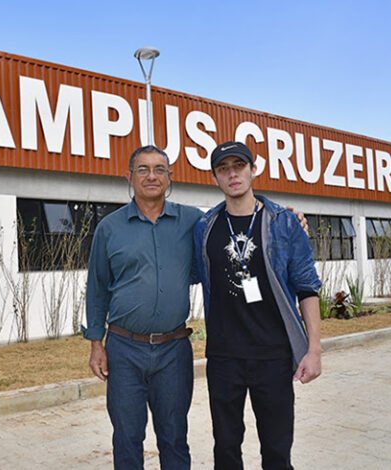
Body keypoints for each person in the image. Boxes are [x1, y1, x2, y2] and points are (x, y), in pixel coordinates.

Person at [193, 141, 322, 469]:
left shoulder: (284, 222)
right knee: (226, 448)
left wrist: (314, 350)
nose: (232, 174)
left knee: (277, 451)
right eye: (223, 169)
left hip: (273, 355)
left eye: (239, 166)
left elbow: (307, 287)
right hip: (224, 357)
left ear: (253, 169)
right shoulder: (204, 227)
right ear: (214, 178)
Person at [84, 145, 202, 469]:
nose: (152, 176)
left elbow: (233, 222)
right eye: (143, 169)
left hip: (174, 351)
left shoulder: (193, 221)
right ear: (129, 177)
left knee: (174, 437)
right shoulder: (110, 228)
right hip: (124, 351)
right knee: (127, 437)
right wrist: (96, 344)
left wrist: (280, 214)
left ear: (170, 177)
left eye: (159, 169)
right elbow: (97, 288)